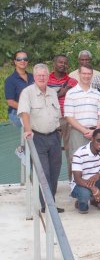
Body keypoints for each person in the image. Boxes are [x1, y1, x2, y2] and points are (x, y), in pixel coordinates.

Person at [18, 63, 63, 213]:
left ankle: (51, 202)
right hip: (37, 137)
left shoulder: (53, 92)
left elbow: (57, 115)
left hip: (54, 137)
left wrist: (59, 133)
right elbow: (24, 112)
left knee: (55, 172)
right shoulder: (27, 92)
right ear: (34, 77)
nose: (42, 77)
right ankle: (47, 206)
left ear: (48, 76)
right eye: (39, 75)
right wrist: (28, 130)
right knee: (44, 172)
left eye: (44, 75)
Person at [64, 64, 100, 166]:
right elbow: (69, 117)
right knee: (77, 162)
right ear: (79, 74)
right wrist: (85, 131)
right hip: (78, 132)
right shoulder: (71, 93)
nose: (86, 76)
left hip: (95, 132)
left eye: (89, 74)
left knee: (95, 163)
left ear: (92, 75)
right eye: (84, 73)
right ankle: (77, 182)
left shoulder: (98, 93)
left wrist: (96, 130)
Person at [48, 54, 78, 180]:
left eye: (65, 63)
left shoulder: (73, 82)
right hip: (50, 119)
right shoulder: (45, 79)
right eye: (60, 62)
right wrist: (61, 93)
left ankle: (73, 182)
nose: (63, 65)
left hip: (68, 119)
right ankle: (50, 181)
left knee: (71, 151)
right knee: (51, 152)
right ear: (54, 63)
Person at [5, 50, 34, 127]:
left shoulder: (33, 77)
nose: (22, 61)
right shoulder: (10, 80)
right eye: (19, 59)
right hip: (17, 112)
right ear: (15, 61)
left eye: (25, 59)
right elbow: (10, 102)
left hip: (34, 110)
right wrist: (27, 109)